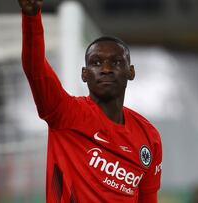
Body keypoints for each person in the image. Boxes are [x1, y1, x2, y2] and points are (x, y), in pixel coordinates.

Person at [18, 0, 162, 202]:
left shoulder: (149, 137)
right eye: (96, 63)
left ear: (131, 72)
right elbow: (35, 69)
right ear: (84, 74)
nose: (106, 69)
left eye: (116, 62)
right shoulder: (64, 113)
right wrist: (32, 16)